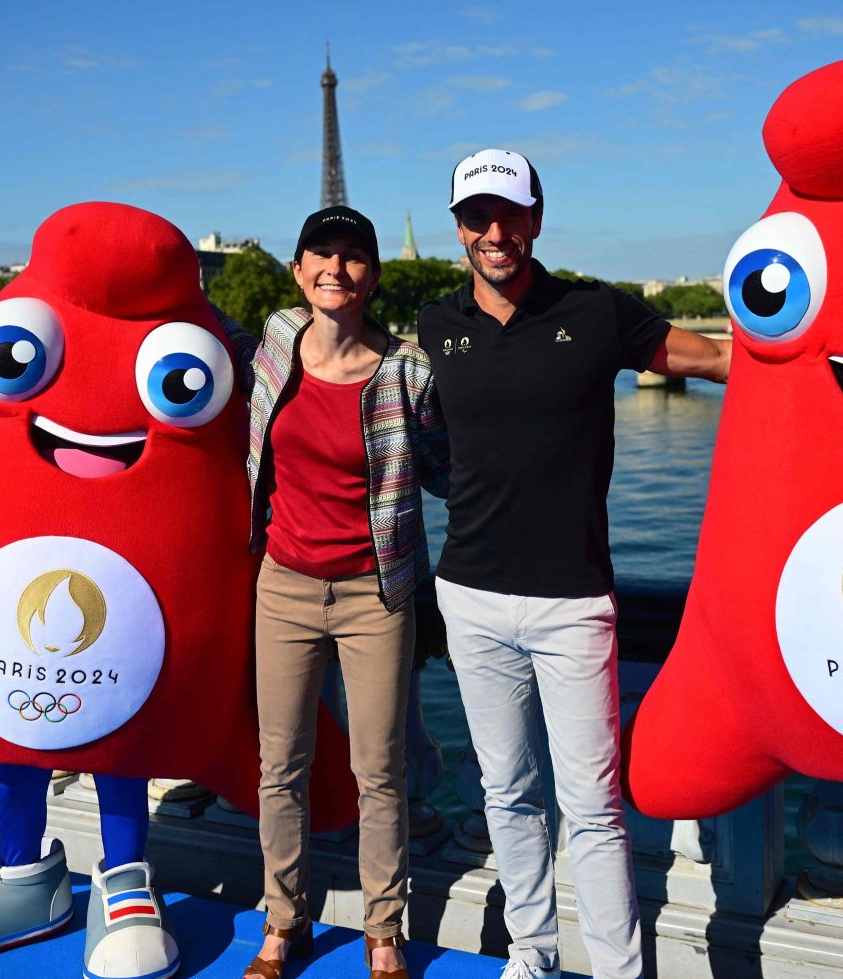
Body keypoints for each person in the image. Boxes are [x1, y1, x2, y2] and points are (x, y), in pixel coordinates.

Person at [419, 150, 730, 979]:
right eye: (478, 216)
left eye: (509, 215)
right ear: (458, 226)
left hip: (571, 601)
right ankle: (533, 956)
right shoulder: (432, 325)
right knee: (508, 796)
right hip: (470, 595)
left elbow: (720, 362)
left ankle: (619, 971)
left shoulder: (596, 314)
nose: (494, 232)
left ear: (537, 219)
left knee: (592, 809)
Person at [244, 205, 449, 979]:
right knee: (280, 765)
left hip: (376, 592)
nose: (335, 267)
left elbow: (448, 469)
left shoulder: (409, 371)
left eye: (352, 256)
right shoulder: (273, 340)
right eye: (320, 254)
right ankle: (283, 921)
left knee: (381, 770)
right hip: (284, 584)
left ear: (373, 275)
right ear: (298, 272)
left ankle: (383, 930)